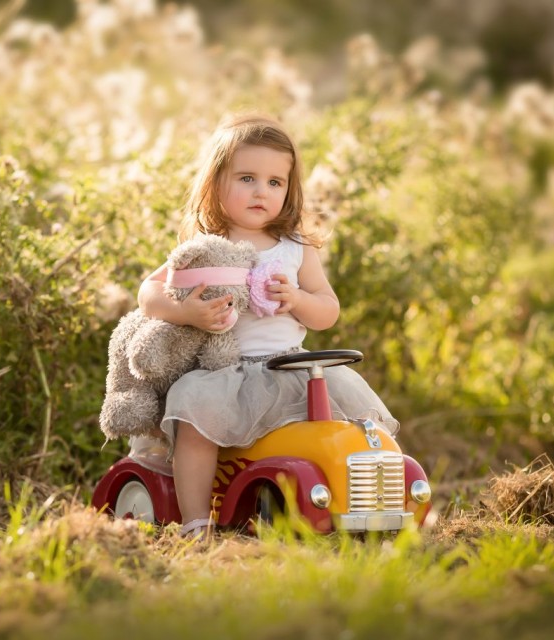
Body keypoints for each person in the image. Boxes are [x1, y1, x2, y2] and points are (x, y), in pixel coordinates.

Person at [137, 114, 399, 539]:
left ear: (289, 189)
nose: (262, 191)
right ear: (215, 182)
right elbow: (149, 293)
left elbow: (328, 309)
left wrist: (297, 300)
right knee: (194, 414)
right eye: (247, 178)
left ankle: (366, 506)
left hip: (292, 370)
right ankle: (197, 522)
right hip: (229, 373)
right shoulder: (206, 247)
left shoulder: (295, 247)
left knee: (355, 428)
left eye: (275, 182)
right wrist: (187, 313)